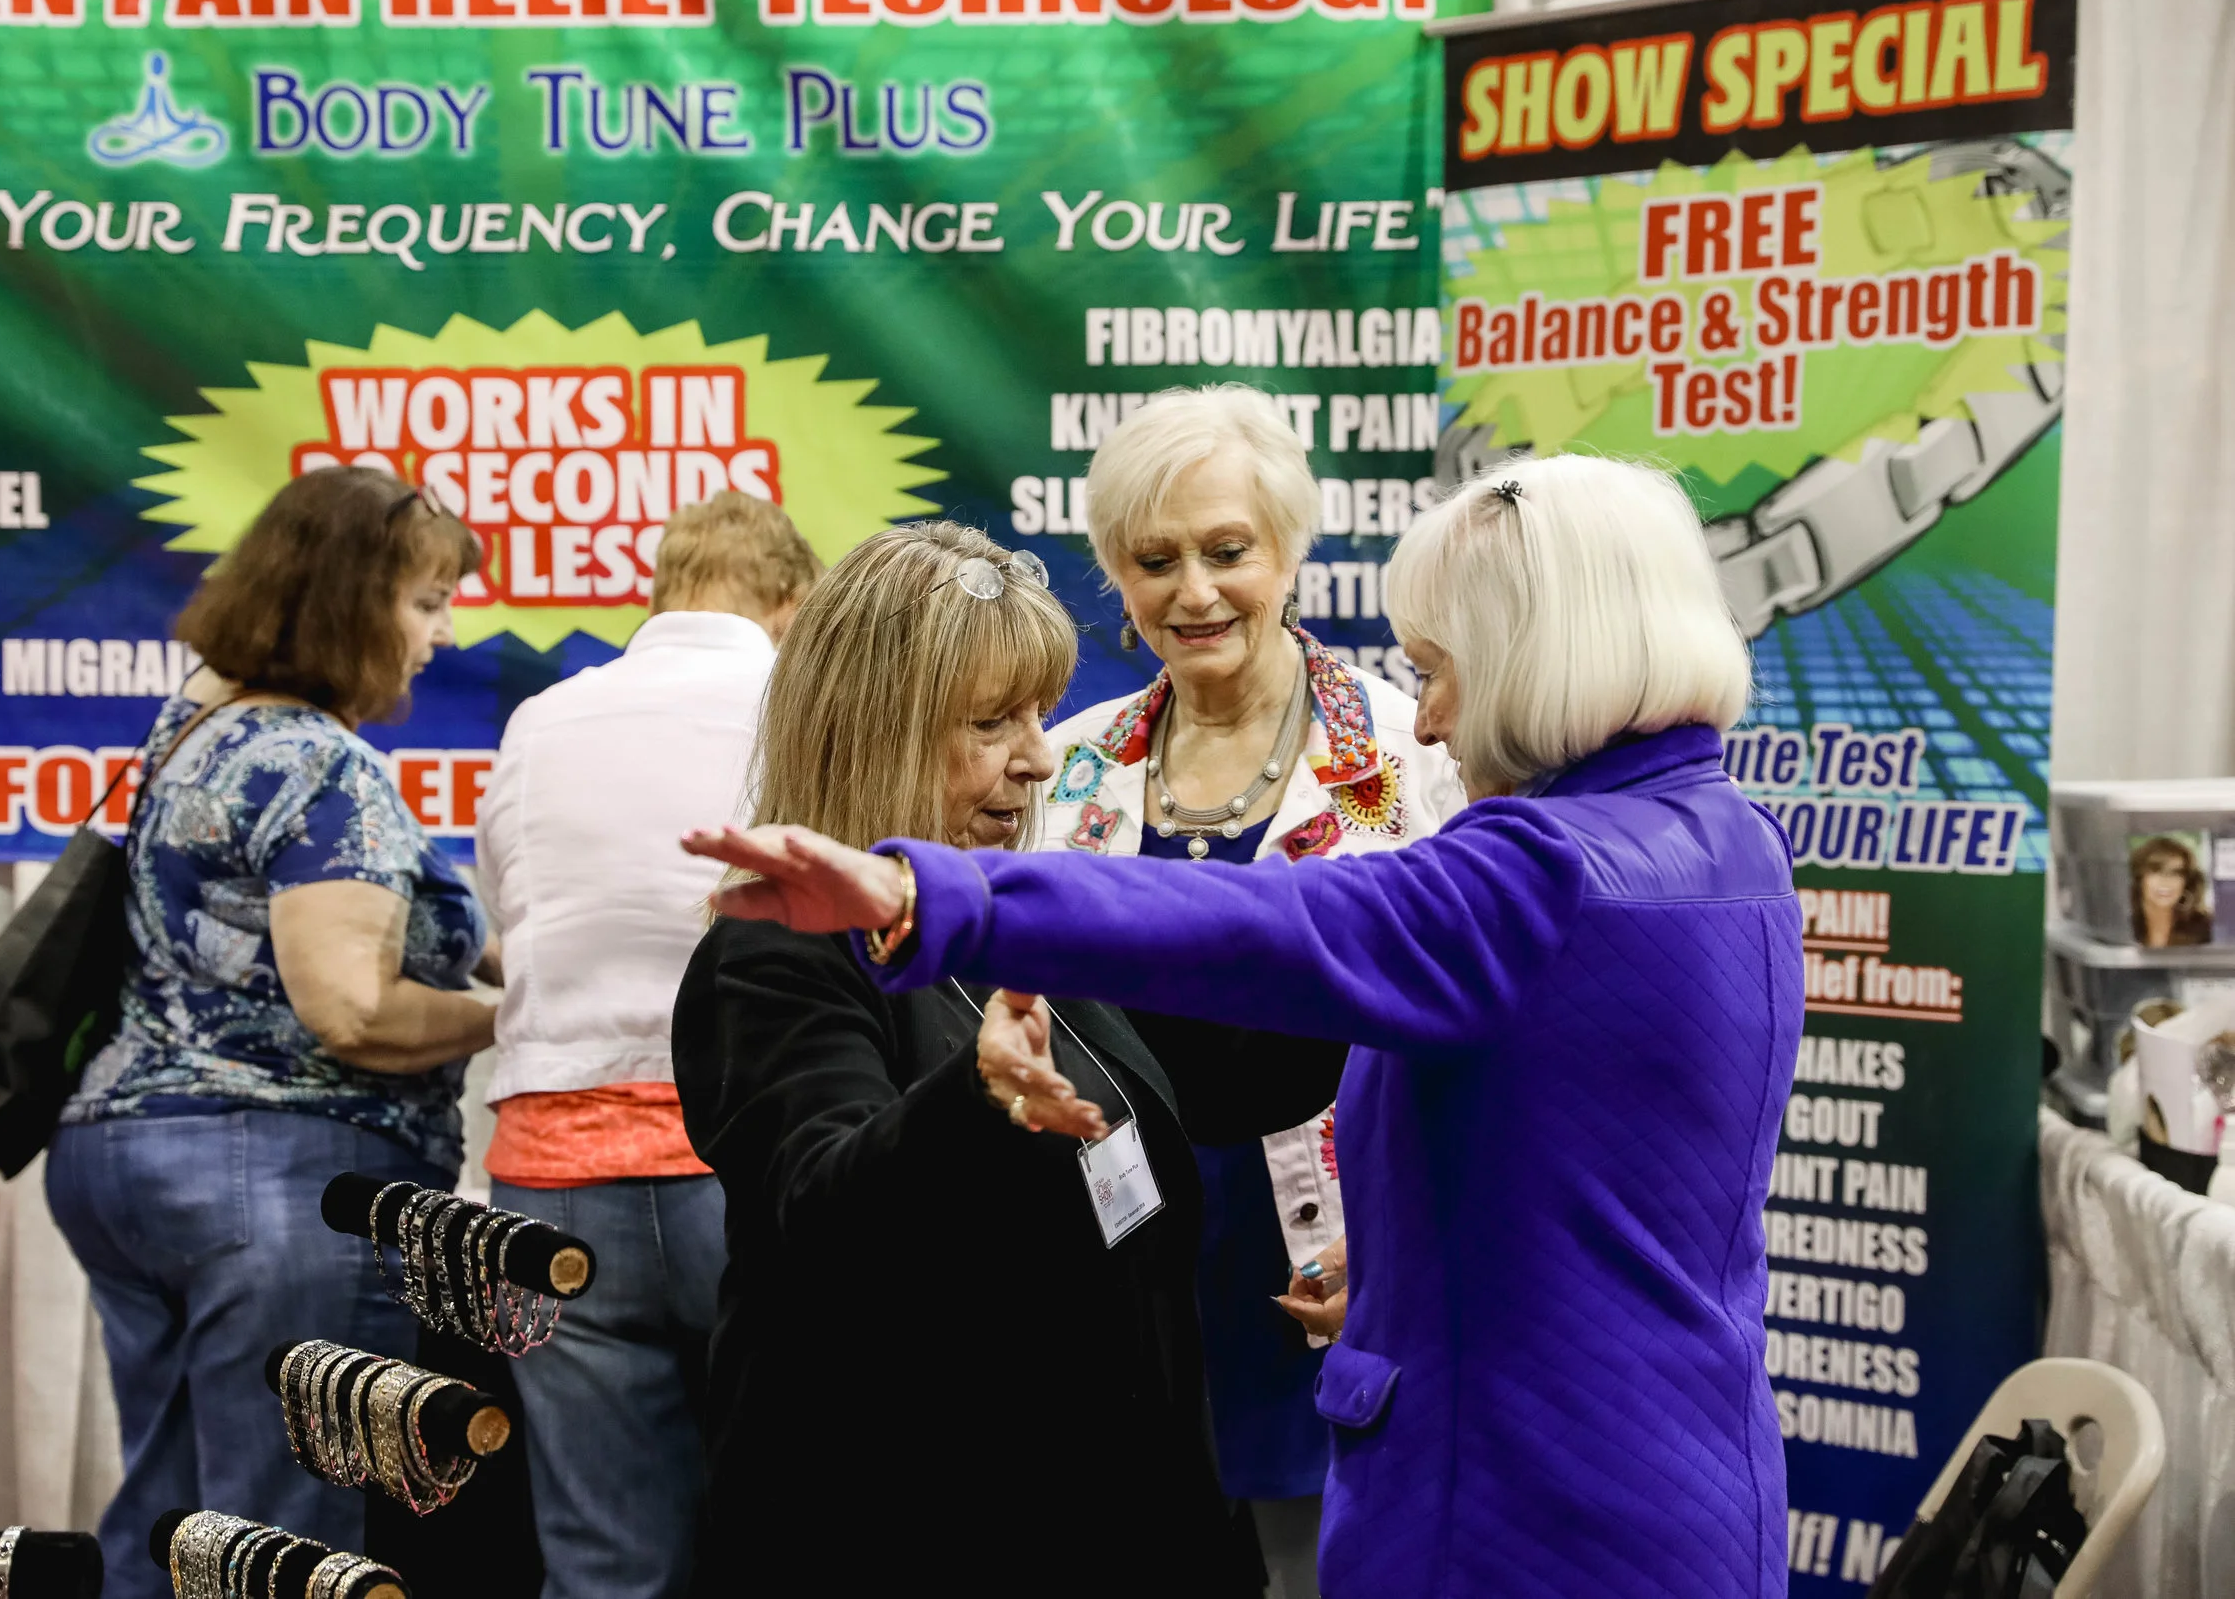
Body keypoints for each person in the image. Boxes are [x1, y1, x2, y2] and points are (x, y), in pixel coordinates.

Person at [685, 455, 1802, 1599]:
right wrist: (1414, 1249)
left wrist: (938, 900)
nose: (1426, 719)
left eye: (1437, 672)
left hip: (1530, 1506)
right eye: (993, 720)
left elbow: (1269, 944)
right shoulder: (1731, 840)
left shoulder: (1544, 870)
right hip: (1665, 1477)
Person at [668, 522, 1348, 1598]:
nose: (1036, 757)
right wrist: (976, 1097)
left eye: (1037, 714)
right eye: (991, 722)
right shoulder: (776, 952)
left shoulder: (1015, 920)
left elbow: (1234, 1064)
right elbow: (821, 1222)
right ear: (874, 729)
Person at [47, 466, 495, 1599]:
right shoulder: (319, 762)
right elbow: (352, 1010)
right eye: (425, 602)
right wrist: (519, 1017)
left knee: (169, 1526)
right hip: (279, 1179)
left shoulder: (194, 726)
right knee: (284, 1541)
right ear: (349, 602)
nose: (442, 634)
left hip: (124, 1159)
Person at [1041, 385, 1460, 1586]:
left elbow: (1468, 1030)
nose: (1194, 592)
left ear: (1289, 550)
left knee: (1320, 1566)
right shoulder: (1068, 766)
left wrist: (1404, 1248)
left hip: (1334, 1253)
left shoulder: (1406, 757)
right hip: (1120, 1251)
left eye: (1227, 551)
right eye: (1153, 560)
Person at [474, 493, 820, 1599]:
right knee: (797, 1533)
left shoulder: (540, 720)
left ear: (664, 592)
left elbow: (507, 924)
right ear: (791, 601)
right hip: (749, 1163)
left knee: (602, 1560)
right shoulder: (803, 706)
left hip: (553, 1180)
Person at [2129, 834, 2212, 947]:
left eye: (2175, 873)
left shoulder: (2207, 927)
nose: (2166, 881)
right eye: (2156, 871)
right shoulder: (2120, 925)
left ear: (2186, 882)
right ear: (2139, 879)